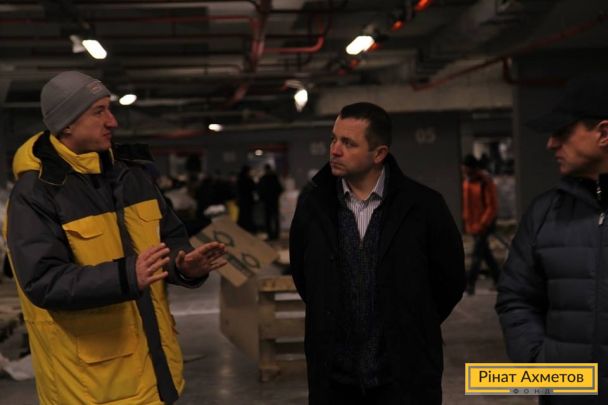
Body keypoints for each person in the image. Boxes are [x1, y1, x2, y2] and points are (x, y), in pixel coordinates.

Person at [4, 71, 227, 405]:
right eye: (99, 111)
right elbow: (43, 281)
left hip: (155, 372)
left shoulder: (131, 175)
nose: (113, 121)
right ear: (67, 124)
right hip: (91, 387)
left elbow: (170, 237)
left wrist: (184, 265)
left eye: (109, 109)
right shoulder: (36, 193)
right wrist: (125, 276)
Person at [289, 102, 465, 404]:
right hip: (334, 379)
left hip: (403, 377)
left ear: (379, 154)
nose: (334, 150)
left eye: (348, 143)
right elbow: (305, 279)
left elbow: (450, 281)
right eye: (334, 139)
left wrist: (413, 323)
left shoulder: (424, 207)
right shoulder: (313, 206)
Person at [496, 75, 608, 404]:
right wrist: (538, 366)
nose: (550, 144)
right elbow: (516, 297)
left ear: (603, 133)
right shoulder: (544, 213)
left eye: (563, 132)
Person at [461, 154, 500, 295]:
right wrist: (468, 223)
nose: (464, 171)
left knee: (477, 255)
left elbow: (492, 206)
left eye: (466, 168)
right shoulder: (467, 182)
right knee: (485, 254)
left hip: (484, 224)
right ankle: (500, 280)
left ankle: (469, 285)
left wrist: (483, 223)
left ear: (472, 168)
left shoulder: (484, 181)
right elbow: (468, 206)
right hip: (473, 225)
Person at [258, 164, 284, 240]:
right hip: (274, 201)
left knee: (268, 218)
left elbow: (260, 190)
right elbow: (280, 189)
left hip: (267, 201)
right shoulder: (274, 177)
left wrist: (262, 198)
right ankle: (276, 234)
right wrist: (275, 196)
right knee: (275, 217)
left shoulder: (263, 178)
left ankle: (270, 234)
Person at [236, 164, 256, 233]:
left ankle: (241, 229)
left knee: (242, 215)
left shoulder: (239, 179)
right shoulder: (248, 179)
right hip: (248, 200)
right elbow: (253, 187)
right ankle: (248, 229)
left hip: (242, 200)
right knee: (248, 216)